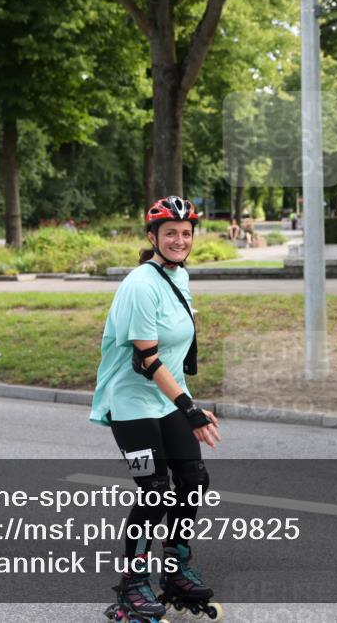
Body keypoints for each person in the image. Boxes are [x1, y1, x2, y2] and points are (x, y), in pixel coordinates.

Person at [91, 196, 222, 622]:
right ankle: (132, 586)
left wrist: (190, 405)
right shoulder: (140, 285)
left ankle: (177, 568)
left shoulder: (177, 277)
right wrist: (189, 410)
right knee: (155, 493)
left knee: (193, 480)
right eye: (171, 234)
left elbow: (174, 357)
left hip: (165, 399)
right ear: (153, 238)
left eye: (186, 234)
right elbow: (148, 360)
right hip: (130, 403)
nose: (180, 240)